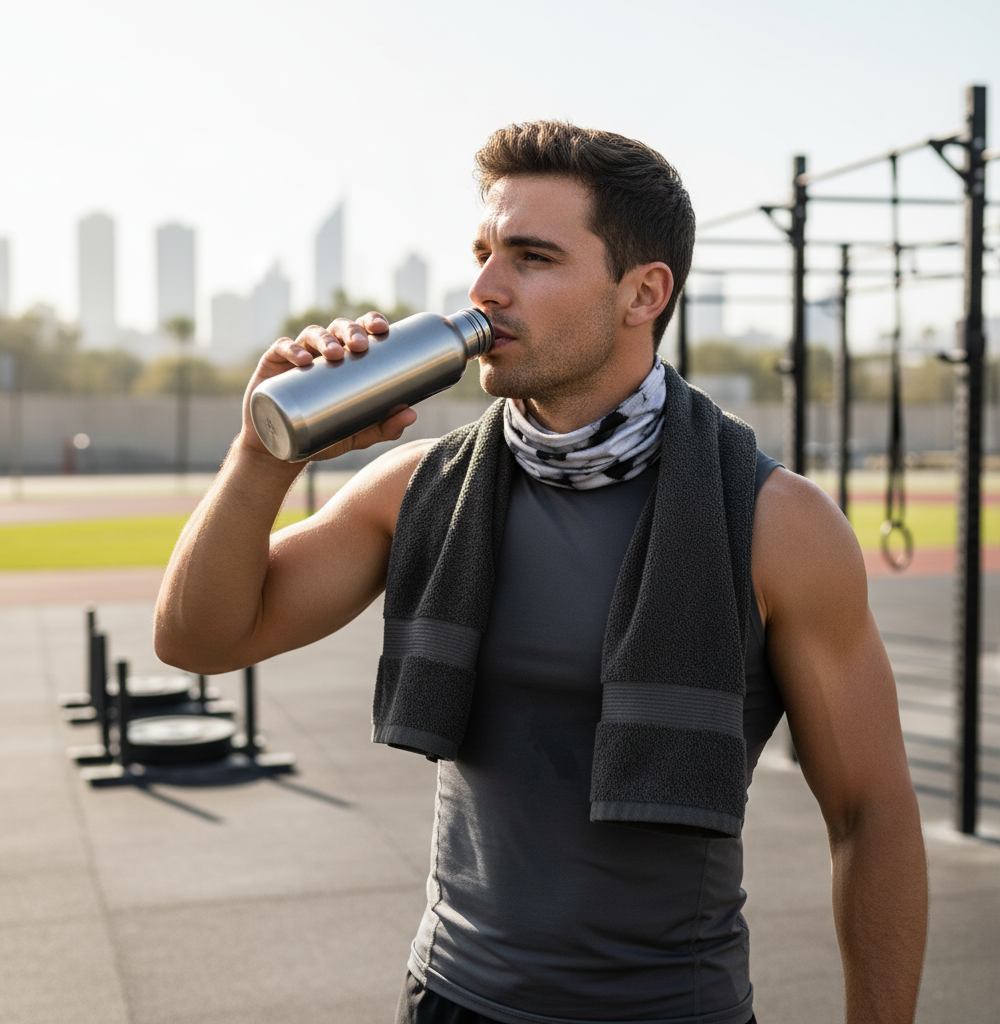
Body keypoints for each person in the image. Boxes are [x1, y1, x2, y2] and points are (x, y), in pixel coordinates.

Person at [154, 122, 928, 1024]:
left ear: (643, 293)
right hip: (449, 998)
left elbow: (871, 817)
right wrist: (264, 452)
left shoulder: (774, 522)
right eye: (482, 253)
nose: (484, 289)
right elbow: (197, 639)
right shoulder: (422, 488)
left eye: (532, 256)